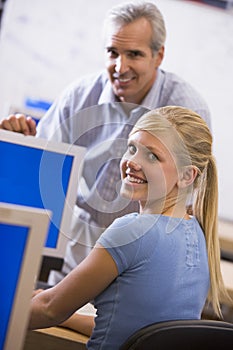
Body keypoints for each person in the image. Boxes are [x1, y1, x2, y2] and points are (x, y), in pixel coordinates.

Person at [0, 2, 212, 285]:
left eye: (134, 54)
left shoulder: (186, 109)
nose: (120, 67)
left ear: (158, 56)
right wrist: (19, 141)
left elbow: (189, 204)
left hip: (144, 259)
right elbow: (41, 167)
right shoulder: (80, 96)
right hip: (75, 253)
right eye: (113, 52)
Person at [28, 106, 230, 350]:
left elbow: (49, 310)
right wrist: (67, 312)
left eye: (152, 156)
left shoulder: (132, 231)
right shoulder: (198, 234)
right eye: (132, 148)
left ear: (186, 176)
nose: (131, 162)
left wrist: (46, 305)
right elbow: (135, 332)